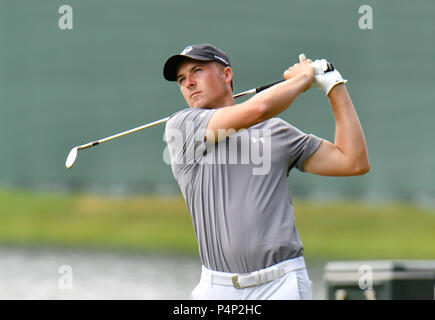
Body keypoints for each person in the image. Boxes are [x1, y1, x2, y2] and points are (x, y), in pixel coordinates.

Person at [162, 43, 369, 300]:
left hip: (281, 284)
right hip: (217, 288)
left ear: (226, 75)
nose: (189, 83)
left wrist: (333, 85)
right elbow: (258, 109)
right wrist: (303, 79)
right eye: (182, 79)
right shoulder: (181, 127)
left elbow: (353, 161)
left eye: (197, 71)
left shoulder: (276, 132)